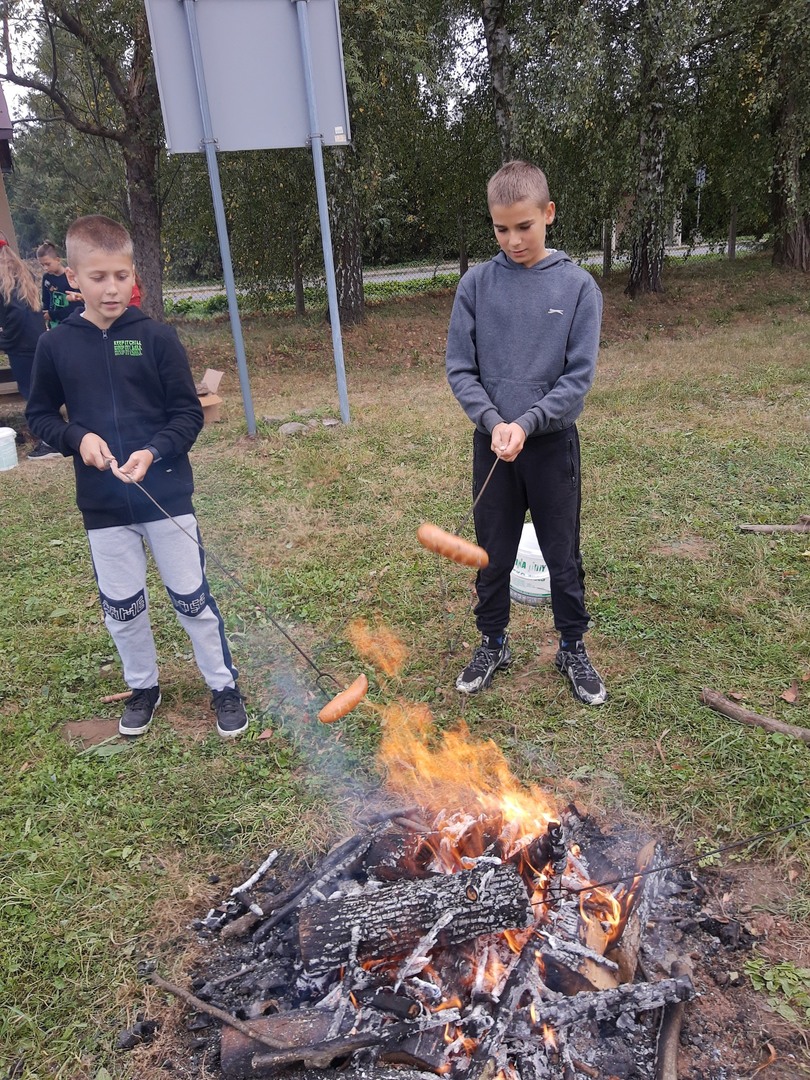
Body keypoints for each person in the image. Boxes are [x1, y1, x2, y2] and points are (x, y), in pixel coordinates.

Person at [26, 215, 248, 738]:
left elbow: (187, 414)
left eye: (121, 276)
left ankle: (223, 685)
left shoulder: (154, 338)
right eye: (98, 277)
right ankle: (143, 686)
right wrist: (76, 438)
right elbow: (39, 416)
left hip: (165, 495)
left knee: (192, 598)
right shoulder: (56, 346)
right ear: (72, 278)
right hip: (103, 505)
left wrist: (153, 451)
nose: (112, 288)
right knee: (122, 608)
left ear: (133, 275)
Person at [445, 160, 607, 705]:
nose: (513, 240)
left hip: (551, 447)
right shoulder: (476, 284)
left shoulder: (578, 287)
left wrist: (528, 422)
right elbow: (460, 369)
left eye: (524, 226)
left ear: (548, 214)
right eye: (501, 229)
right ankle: (492, 642)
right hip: (494, 447)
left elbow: (577, 377)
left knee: (562, 554)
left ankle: (572, 647)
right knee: (492, 552)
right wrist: (495, 423)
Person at [0, 238, 58, 459]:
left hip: (22, 345)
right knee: (40, 390)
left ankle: (50, 441)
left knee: (33, 393)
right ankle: (51, 436)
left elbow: (15, 314)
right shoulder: (21, 271)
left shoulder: (3, 279)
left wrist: (5, 339)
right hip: (36, 339)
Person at [36, 240, 84, 328]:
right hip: (54, 325)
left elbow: (77, 306)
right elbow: (46, 301)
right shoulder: (46, 278)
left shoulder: (70, 277)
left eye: (48, 264)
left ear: (58, 260)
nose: (45, 268)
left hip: (71, 323)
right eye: (42, 265)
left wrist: (53, 315)